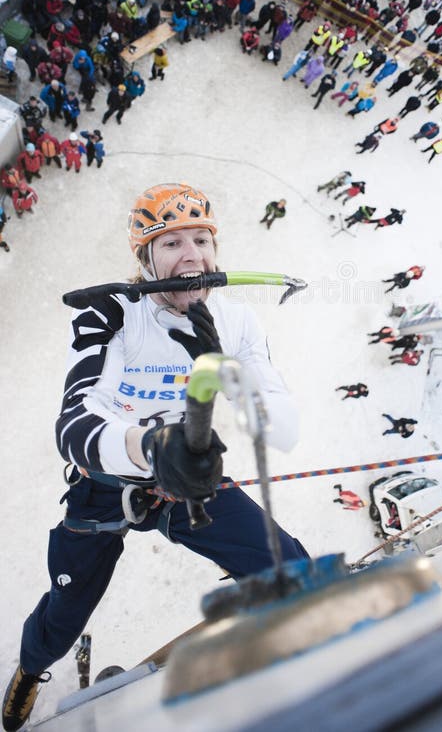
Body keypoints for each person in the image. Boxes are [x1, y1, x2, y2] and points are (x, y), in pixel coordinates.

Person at [2, 183, 308, 731]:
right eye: (169, 244)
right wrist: (148, 447)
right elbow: (74, 423)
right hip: (106, 481)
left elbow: (279, 427)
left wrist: (228, 369)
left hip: (185, 477)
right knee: (66, 611)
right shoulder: (113, 313)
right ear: (145, 261)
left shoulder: (236, 323)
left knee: (287, 564)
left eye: (201, 240)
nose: (191, 255)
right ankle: (30, 668)